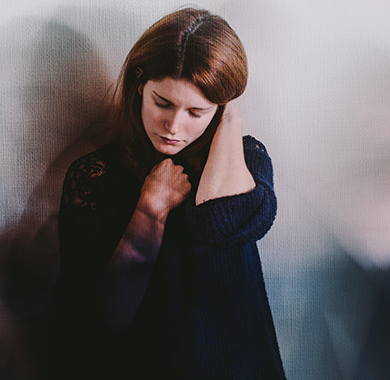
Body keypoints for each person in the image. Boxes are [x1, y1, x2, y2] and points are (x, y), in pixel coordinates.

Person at [51, 7, 285, 380]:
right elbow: (97, 320)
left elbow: (218, 222)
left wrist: (229, 119)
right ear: (139, 84)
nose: (174, 126)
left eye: (197, 111)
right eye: (163, 103)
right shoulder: (94, 176)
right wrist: (150, 208)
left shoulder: (245, 159)